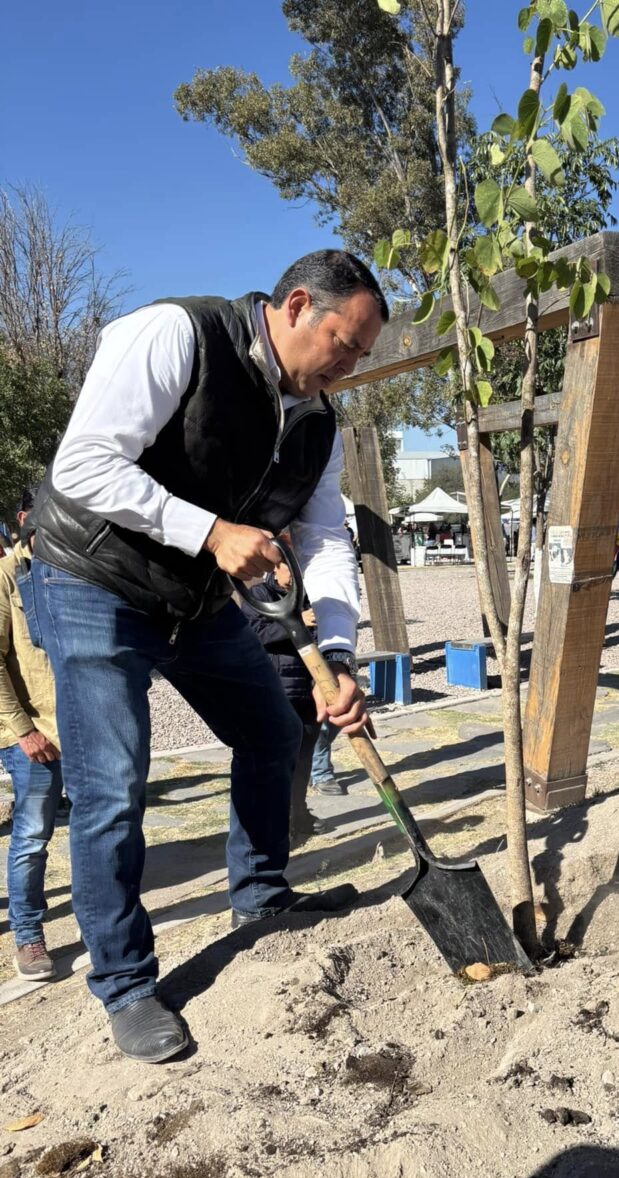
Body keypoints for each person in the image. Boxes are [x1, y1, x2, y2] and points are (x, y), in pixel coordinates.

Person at [30, 249, 386, 1063]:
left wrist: (338, 649)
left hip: (194, 598)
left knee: (272, 730)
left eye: (362, 356)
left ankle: (261, 897)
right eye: (344, 342)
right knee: (112, 787)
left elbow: (327, 535)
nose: (348, 367)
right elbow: (82, 464)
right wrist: (211, 531)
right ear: (296, 304)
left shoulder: (320, 420)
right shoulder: (178, 334)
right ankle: (125, 983)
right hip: (94, 579)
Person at [0, 488, 63, 980]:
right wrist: (23, 731)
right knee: (31, 836)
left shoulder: (73, 570)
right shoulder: (7, 576)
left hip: (78, 728)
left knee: (96, 826)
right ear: (27, 522)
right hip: (31, 736)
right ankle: (28, 936)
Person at [238, 559, 326, 846]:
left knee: (303, 760)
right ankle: (281, 825)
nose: (298, 575)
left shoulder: (309, 597)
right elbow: (254, 635)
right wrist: (297, 622)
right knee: (279, 763)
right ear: (276, 568)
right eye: (292, 568)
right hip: (278, 689)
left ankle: (300, 815)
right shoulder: (260, 596)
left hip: (308, 688)